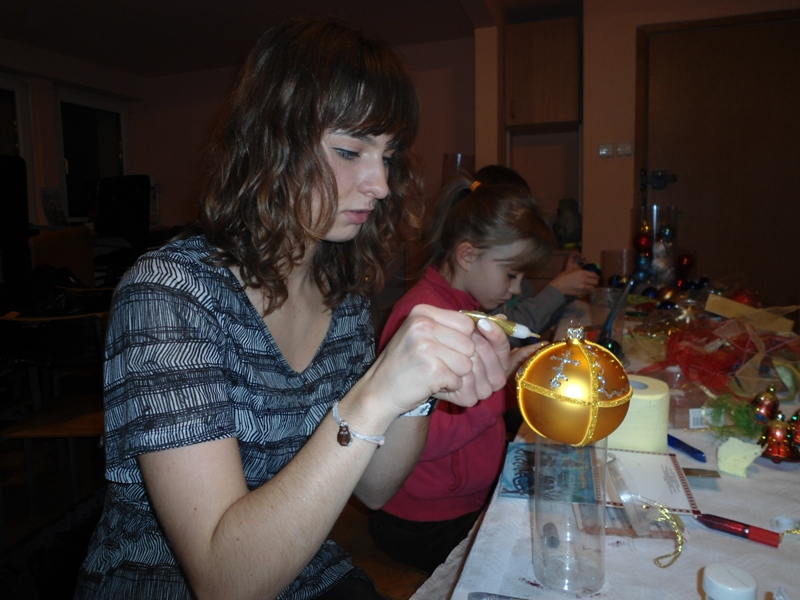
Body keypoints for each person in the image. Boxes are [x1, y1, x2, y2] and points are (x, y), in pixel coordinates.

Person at [74, 18, 512, 600]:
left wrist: (415, 387)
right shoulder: (169, 295)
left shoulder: (342, 293)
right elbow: (224, 581)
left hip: (307, 571)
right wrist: (373, 394)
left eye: (387, 155)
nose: (380, 183)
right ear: (270, 142)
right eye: (350, 150)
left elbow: (377, 490)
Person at [368, 177, 553, 574]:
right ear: (467, 255)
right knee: (528, 562)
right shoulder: (423, 320)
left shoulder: (467, 309)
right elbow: (420, 439)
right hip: (421, 521)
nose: (516, 289)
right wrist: (501, 391)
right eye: (511, 275)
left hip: (461, 502)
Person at [473, 165, 599, 339]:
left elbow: (532, 327)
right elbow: (506, 332)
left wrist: (564, 291)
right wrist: (556, 290)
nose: (517, 289)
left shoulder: (515, 282)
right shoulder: (482, 288)